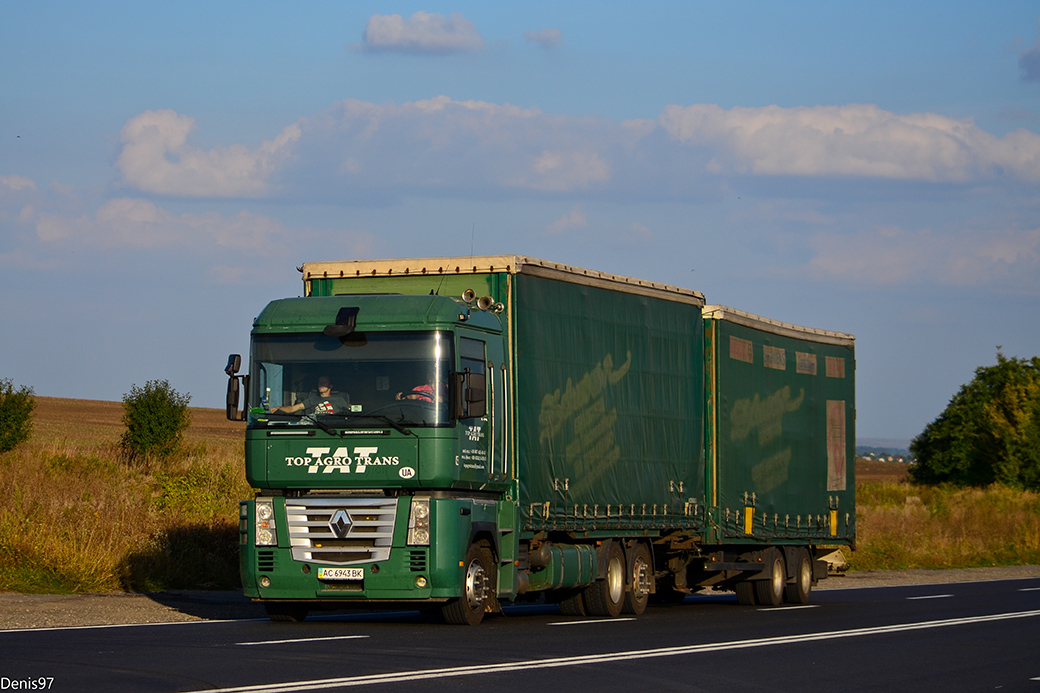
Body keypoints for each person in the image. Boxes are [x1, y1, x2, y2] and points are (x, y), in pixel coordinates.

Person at [271, 376, 350, 415]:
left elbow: (347, 416)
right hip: (316, 428)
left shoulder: (339, 400)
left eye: (324, 382)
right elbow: (293, 408)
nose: (321, 384)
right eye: (320, 382)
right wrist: (279, 408)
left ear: (330, 386)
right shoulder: (312, 399)